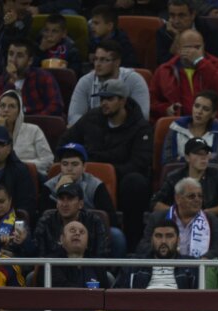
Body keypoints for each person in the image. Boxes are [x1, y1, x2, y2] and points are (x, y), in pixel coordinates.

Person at [63, 79, 153, 247]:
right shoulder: (91, 118)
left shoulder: (141, 127)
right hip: (85, 176)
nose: (104, 103)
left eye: (110, 98)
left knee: (136, 182)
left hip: (121, 180)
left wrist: (107, 172)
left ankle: (132, 244)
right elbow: (66, 142)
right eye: (102, 98)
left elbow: (139, 163)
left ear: (123, 100)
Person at [150, 29, 218, 121]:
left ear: (204, 46)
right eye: (188, 48)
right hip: (178, 123)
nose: (193, 52)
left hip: (211, 123)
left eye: (197, 47)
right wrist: (165, 109)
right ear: (178, 49)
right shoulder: (164, 70)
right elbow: (152, 102)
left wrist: (200, 62)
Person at [69, 41, 150, 127]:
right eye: (96, 59)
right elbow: (73, 117)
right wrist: (95, 128)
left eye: (103, 60)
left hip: (126, 131)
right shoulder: (85, 81)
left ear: (117, 62)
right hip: (93, 130)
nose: (97, 64)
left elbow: (143, 116)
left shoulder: (134, 80)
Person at [153, 138, 218, 220]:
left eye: (206, 153)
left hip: (209, 220)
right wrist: (178, 213)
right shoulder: (174, 177)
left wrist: (204, 214)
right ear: (187, 157)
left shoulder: (217, 175)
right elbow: (155, 203)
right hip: (178, 221)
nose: (203, 157)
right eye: (198, 154)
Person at [44, 142, 118, 220]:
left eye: (75, 164)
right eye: (65, 164)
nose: (69, 169)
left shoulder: (95, 185)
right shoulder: (49, 186)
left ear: (84, 167)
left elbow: (110, 218)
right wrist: (58, 191)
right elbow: (44, 218)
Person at [0, 38, 63, 118]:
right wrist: (11, 81)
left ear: (30, 61)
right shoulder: (1, 81)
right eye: (11, 54)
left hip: (36, 123)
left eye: (19, 56)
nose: (13, 60)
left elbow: (56, 106)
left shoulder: (43, 77)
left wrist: (34, 120)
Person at [0, 90, 52, 175]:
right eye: (2, 106)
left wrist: (20, 166)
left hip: (30, 176)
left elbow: (48, 161)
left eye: (11, 106)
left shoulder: (33, 130)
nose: (6, 110)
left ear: (19, 112)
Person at [161, 90, 218, 165]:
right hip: (179, 171)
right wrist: (203, 159)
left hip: (208, 172)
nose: (199, 112)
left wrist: (182, 159)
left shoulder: (217, 132)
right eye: (196, 106)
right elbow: (167, 161)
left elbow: (216, 161)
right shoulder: (176, 127)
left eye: (205, 109)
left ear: (213, 114)